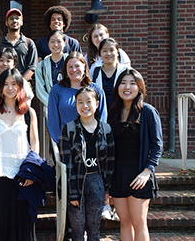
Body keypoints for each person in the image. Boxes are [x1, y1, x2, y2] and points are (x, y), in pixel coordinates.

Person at [0, 68, 39, 241]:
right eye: (5, 84)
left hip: (22, 175)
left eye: (14, 84)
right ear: (0, 87)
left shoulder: (29, 112)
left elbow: (34, 143)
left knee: (21, 221)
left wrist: (32, 171)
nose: (10, 88)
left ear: (20, 86)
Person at [108, 69, 163, 241]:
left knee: (138, 222)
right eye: (123, 82)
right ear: (117, 87)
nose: (127, 87)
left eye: (132, 83)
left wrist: (147, 171)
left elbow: (157, 145)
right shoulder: (114, 113)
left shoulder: (147, 111)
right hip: (118, 174)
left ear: (139, 88)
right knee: (124, 222)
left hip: (140, 173)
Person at [59, 87, 115, 241]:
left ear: (97, 104)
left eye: (89, 102)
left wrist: (107, 189)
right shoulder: (68, 129)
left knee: (94, 229)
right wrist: (73, 192)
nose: (85, 106)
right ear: (76, 106)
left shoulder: (106, 129)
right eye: (80, 102)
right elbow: (67, 164)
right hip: (76, 182)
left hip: (96, 182)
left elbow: (110, 162)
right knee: (77, 230)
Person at [47, 51, 107, 143]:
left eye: (77, 66)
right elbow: (53, 121)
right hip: (67, 142)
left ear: (84, 67)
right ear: (65, 69)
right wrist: (60, 143)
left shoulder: (96, 90)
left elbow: (102, 117)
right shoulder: (57, 90)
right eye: (70, 67)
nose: (74, 70)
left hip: (93, 142)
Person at [0, 8, 38, 81]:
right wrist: (6, 81)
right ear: (6, 22)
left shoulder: (29, 43)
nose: (14, 21)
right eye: (11, 18)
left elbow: (32, 67)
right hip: (3, 84)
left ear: (21, 22)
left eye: (17, 18)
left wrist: (20, 82)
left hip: (24, 84)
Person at [90, 38, 128, 111]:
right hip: (100, 113)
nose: (108, 54)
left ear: (117, 53)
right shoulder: (95, 71)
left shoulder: (125, 71)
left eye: (111, 50)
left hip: (121, 112)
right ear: (100, 54)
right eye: (104, 51)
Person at [35, 29, 68, 107]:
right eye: (52, 42)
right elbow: (40, 90)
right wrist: (51, 103)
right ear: (48, 44)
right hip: (50, 107)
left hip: (69, 105)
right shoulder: (42, 65)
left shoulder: (71, 62)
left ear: (64, 43)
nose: (55, 45)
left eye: (59, 41)